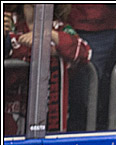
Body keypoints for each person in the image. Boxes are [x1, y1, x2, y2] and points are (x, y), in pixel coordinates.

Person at [4, 4, 92, 136]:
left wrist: (51, 35)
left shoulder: (58, 27)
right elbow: (13, 52)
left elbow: (85, 52)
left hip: (50, 117)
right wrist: (50, 50)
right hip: (10, 115)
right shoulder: (8, 22)